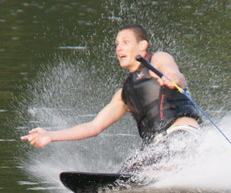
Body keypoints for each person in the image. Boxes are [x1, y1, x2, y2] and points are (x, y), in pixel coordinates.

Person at [21, 24, 201, 173]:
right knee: (126, 173)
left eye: (125, 42)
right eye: (116, 44)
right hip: (156, 146)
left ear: (142, 46)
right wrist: (51, 136)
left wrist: (172, 77)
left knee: (154, 164)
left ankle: (173, 175)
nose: (119, 48)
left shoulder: (158, 60)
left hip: (182, 134)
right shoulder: (124, 95)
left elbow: (173, 71)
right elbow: (94, 126)